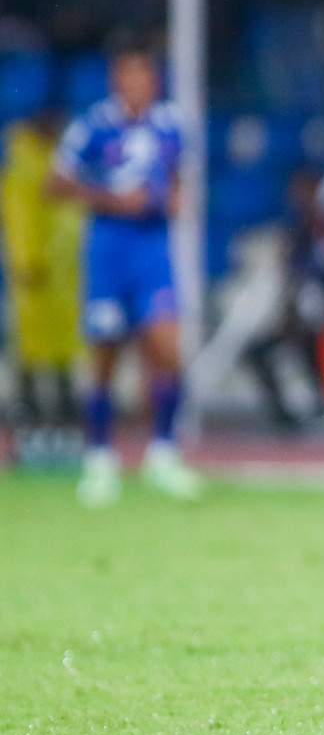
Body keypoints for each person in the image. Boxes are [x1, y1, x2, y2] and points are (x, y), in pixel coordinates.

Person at [47, 35, 202, 506]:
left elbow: (178, 180)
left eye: (145, 76)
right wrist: (114, 200)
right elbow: (54, 184)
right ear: (117, 80)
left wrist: (173, 199)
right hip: (109, 251)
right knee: (106, 354)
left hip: (153, 252)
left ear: (154, 80)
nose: (138, 85)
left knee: (167, 347)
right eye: (129, 76)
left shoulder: (172, 125)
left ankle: (163, 453)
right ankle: (99, 459)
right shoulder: (93, 126)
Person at [1, 98, 84, 441]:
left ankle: (64, 397)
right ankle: (28, 398)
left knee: (65, 331)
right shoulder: (20, 160)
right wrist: (25, 258)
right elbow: (18, 216)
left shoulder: (62, 159)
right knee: (29, 332)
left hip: (65, 264)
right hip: (33, 264)